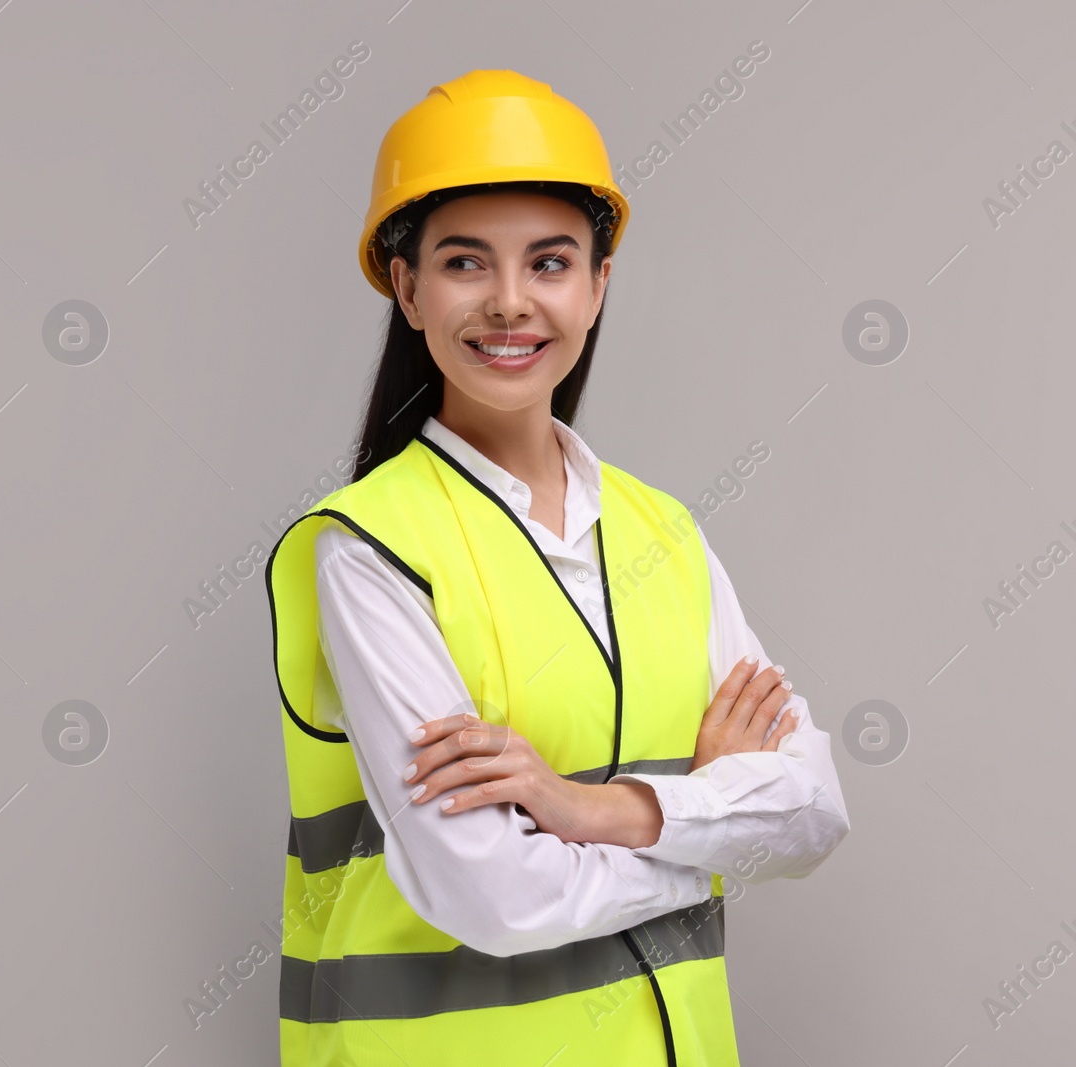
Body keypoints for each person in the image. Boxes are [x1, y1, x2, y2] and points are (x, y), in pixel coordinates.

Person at [264, 70, 850, 1066]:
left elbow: (811, 811)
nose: (508, 302)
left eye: (548, 261)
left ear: (596, 286)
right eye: (462, 262)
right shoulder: (368, 548)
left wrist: (588, 809)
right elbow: (492, 893)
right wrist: (706, 841)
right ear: (407, 288)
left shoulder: (663, 532)